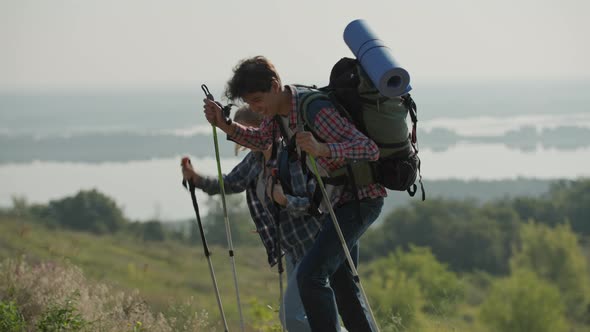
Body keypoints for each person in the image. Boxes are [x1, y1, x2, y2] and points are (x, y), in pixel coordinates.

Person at [203, 56, 385, 332]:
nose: (254, 108)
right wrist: (225, 125)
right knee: (343, 287)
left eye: (256, 100)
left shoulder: (315, 110)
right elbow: (262, 141)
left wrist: (323, 150)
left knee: (311, 277)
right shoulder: (278, 115)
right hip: (335, 203)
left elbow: (369, 149)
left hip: (360, 200)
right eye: (249, 103)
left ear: (275, 86)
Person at [183, 106, 340, 331]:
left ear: (262, 128)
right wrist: (195, 179)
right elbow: (230, 183)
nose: (241, 137)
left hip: (313, 244)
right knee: (311, 314)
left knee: (292, 317)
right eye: (237, 132)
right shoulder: (255, 159)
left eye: (244, 131)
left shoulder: (292, 156)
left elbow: (319, 204)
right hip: (292, 248)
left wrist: (286, 201)